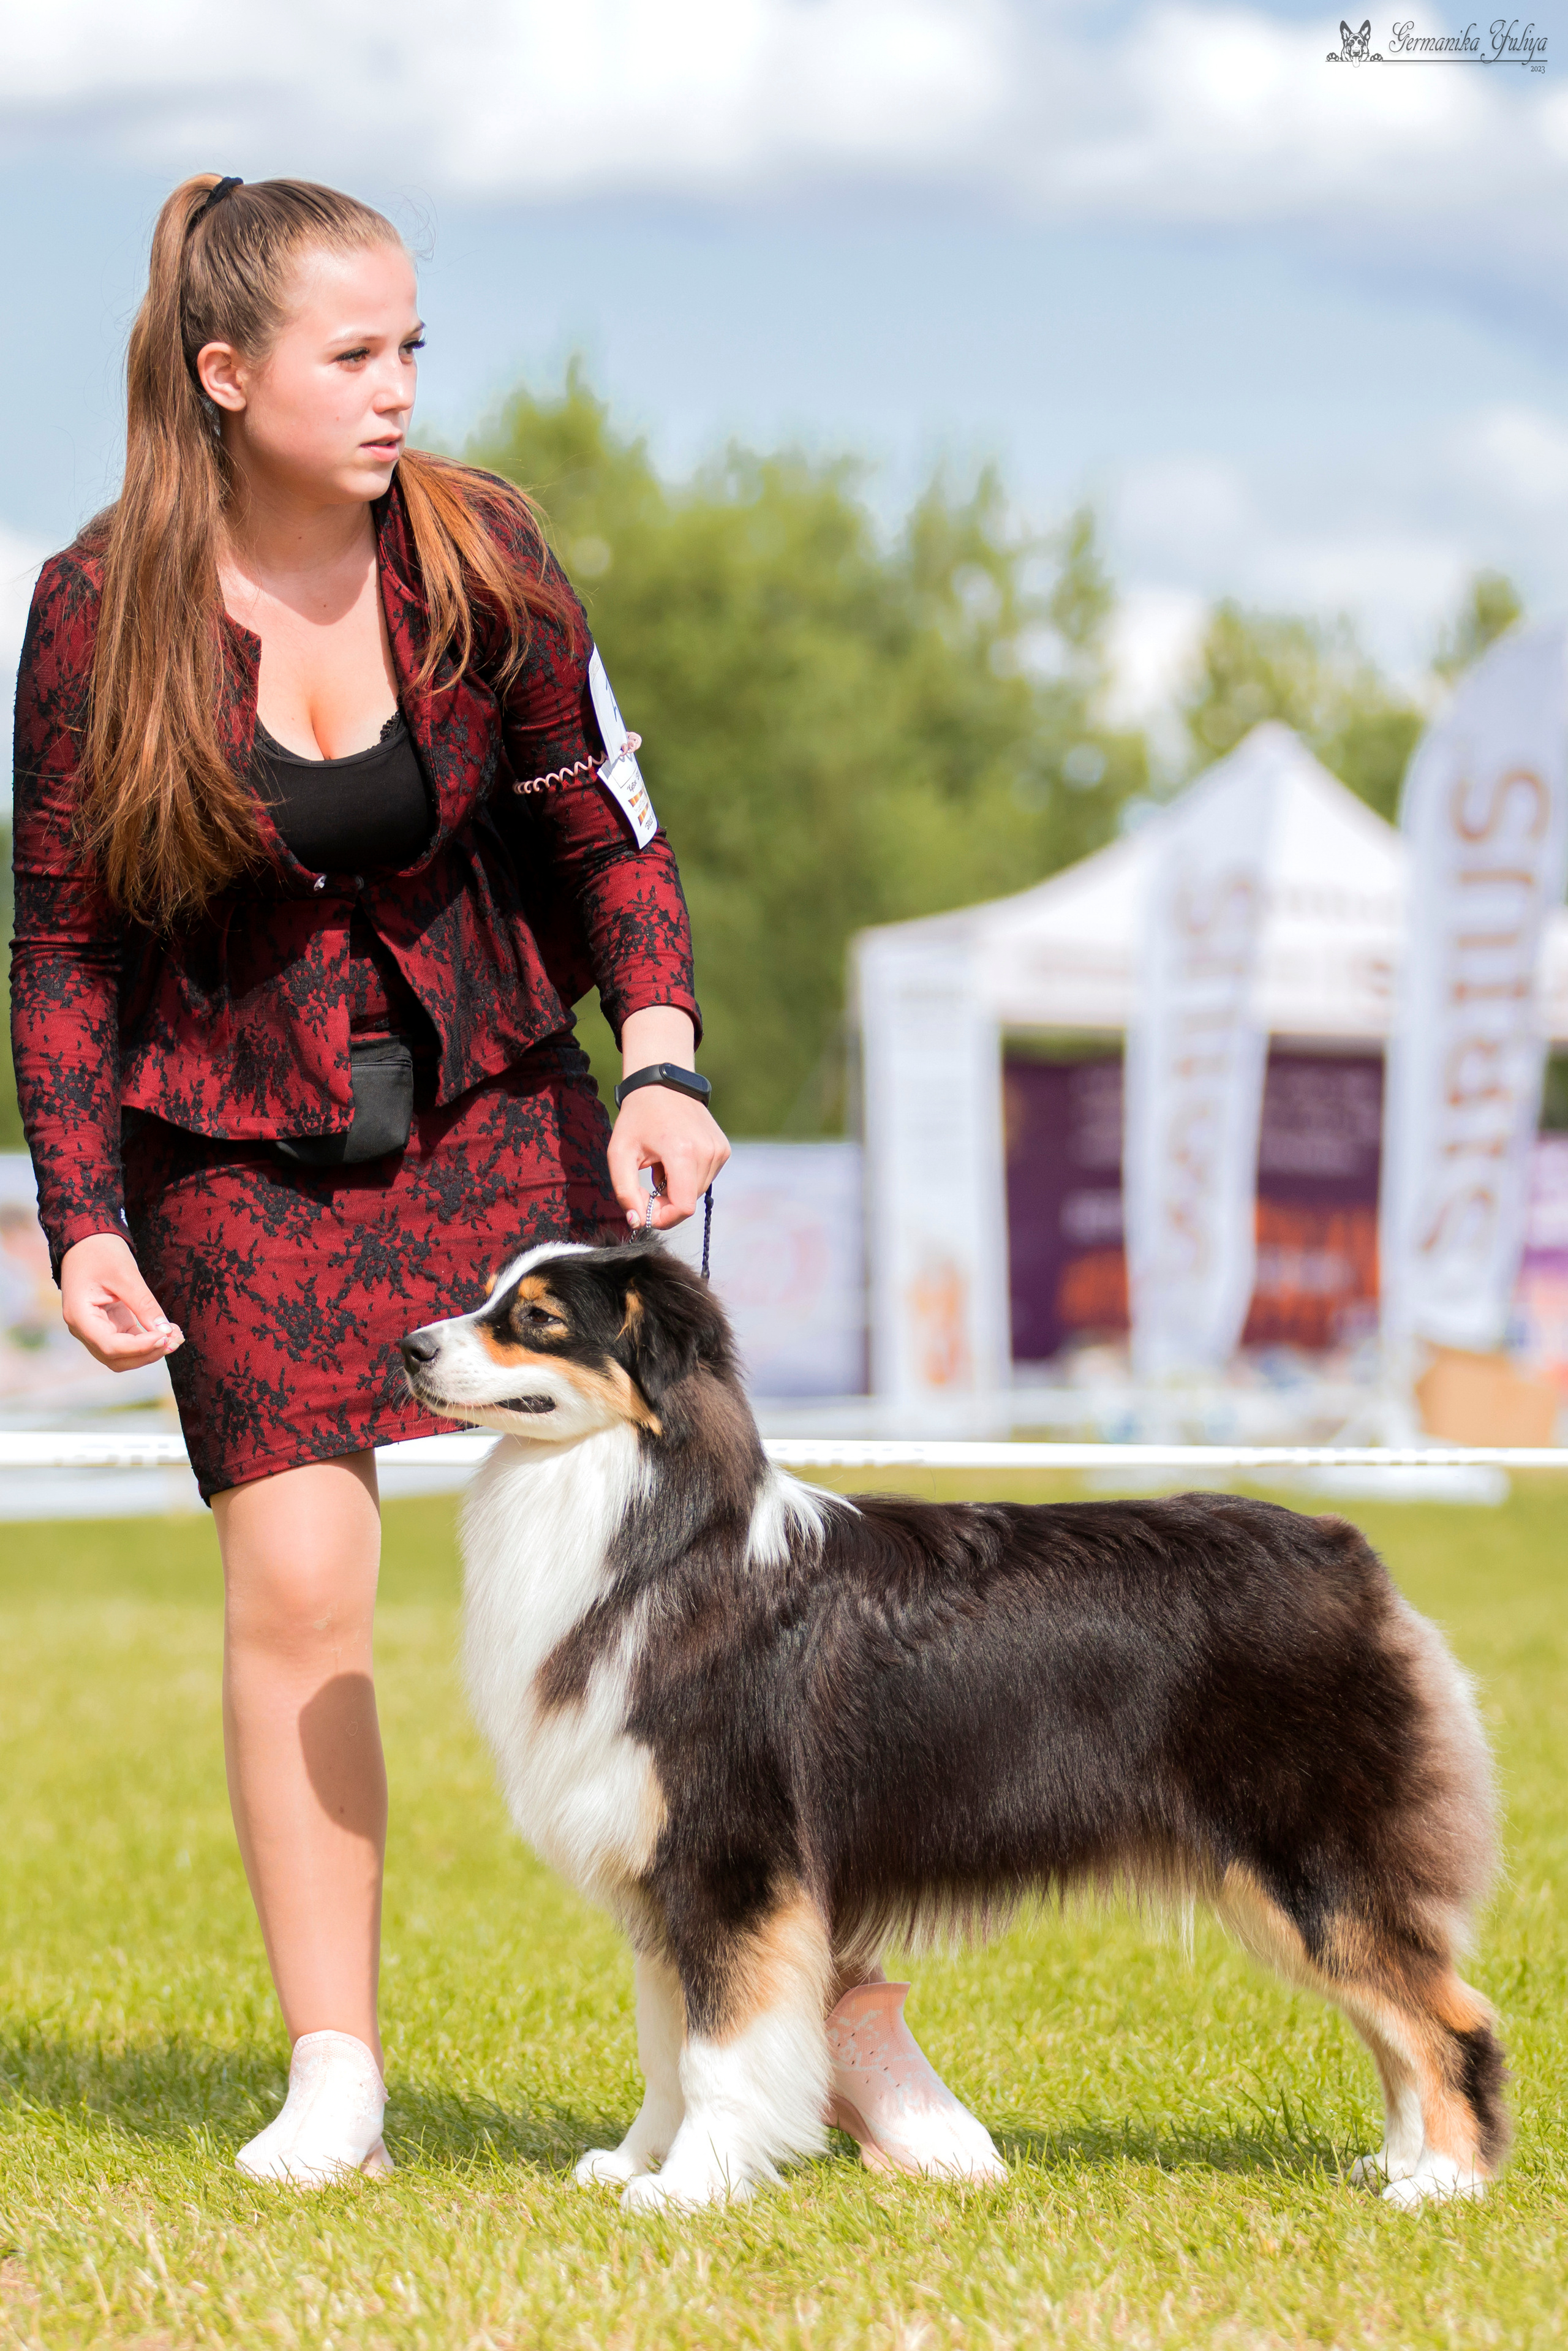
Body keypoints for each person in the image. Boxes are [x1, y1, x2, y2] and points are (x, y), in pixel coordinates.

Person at [10, 172, 998, 2192]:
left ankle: (848, 2019)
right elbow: (64, 944)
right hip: (231, 1151)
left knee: (708, 1566)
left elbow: (602, 825)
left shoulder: (484, 552)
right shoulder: (95, 609)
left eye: (411, 349)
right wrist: (83, 1211)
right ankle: (337, 2078)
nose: (398, 390)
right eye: (353, 355)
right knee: (300, 1592)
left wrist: (663, 1054)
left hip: (494, 1104)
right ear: (227, 375)